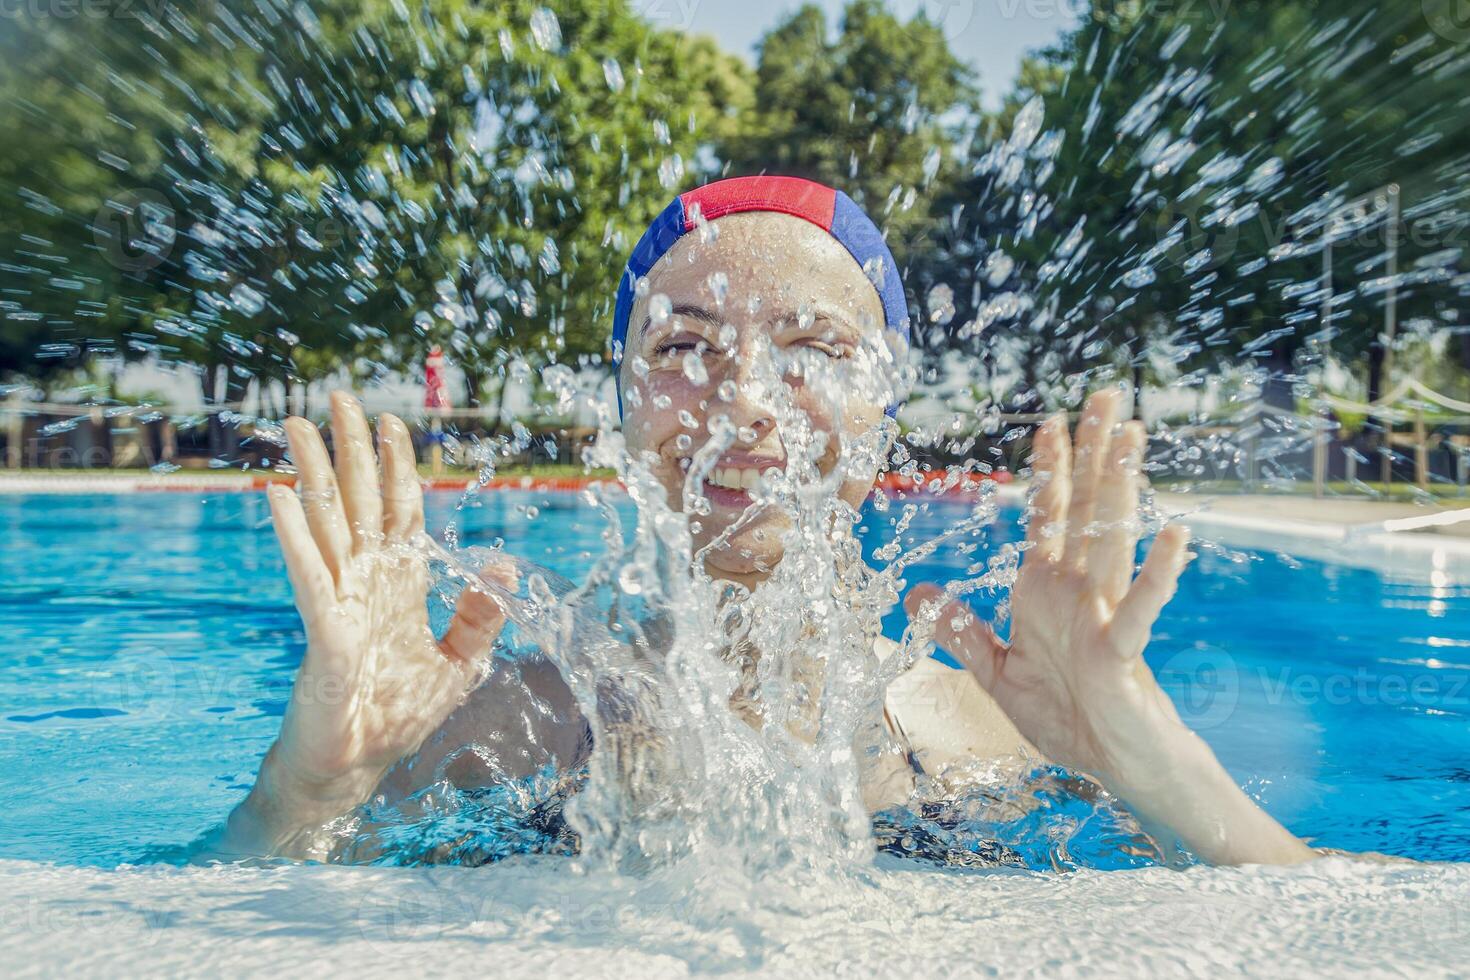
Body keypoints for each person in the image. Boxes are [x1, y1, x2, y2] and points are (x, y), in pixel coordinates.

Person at [216, 176, 1319, 866]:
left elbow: (1353, 930)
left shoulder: (1008, 729)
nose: (745, 395)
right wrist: (309, 787)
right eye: (684, 345)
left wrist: (1157, 766)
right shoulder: (502, 730)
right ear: (621, 410)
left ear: (885, 418)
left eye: (814, 349)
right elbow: (206, 919)